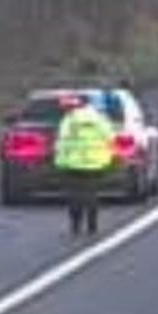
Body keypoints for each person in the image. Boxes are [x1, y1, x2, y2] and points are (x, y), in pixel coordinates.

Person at [53, 95, 118, 238]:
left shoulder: (70, 120)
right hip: (96, 163)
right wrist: (111, 156)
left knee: (75, 195)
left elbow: (62, 141)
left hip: (73, 163)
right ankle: (92, 227)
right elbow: (111, 138)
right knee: (92, 194)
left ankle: (75, 227)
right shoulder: (99, 119)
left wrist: (59, 161)